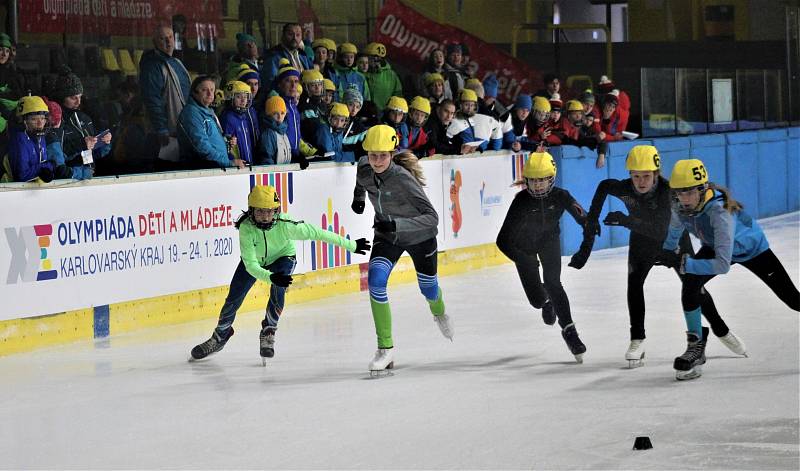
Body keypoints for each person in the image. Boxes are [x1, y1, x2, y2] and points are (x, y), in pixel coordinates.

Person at [569, 146, 744, 368]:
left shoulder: (669, 192)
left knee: (693, 287)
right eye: (635, 176)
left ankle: (721, 329)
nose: (641, 182)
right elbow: (604, 186)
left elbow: (661, 230)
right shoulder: (624, 188)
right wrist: (591, 221)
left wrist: (625, 220)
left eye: (646, 176)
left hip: (673, 242)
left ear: (656, 173)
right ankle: (637, 339)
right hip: (641, 242)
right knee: (634, 284)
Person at [190, 184, 371, 363]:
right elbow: (251, 265)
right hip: (257, 263)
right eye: (260, 211)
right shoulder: (246, 228)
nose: (265, 217)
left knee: (279, 287)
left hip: (284, 257)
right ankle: (221, 335)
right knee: (234, 297)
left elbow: (318, 233)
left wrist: (351, 245)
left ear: (277, 211)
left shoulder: (286, 225)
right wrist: (269, 276)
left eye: (270, 211)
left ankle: (269, 330)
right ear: (251, 210)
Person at [655, 159, 800, 379]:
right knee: (690, 285)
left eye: (689, 192)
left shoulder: (719, 212)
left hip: (752, 250)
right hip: (715, 246)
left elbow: (722, 265)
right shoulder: (679, 206)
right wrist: (666, 250)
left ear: (703, 189)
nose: (684, 199)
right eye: (679, 193)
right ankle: (696, 347)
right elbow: (675, 228)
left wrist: (686, 264)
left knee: (793, 300)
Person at [351, 125, 452, 376]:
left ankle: (439, 311)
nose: (376, 161)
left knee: (428, 289)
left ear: (392, 154)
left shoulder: (403, 179)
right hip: (387, 237)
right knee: (375, 281)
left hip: (420, 237)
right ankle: (385, 348)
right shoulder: (364, 166)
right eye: (373, 155)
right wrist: (359, 198)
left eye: (383, 156)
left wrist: (397, 223)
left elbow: (432, 217)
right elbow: (361, 179)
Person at [496, 152, 589, 362]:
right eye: (533, 181)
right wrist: (525, 260)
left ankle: (569, 331)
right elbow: (502, 241)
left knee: (554, 282)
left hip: (549, 241)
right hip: (524, 249)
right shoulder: (521, 201)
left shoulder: (561, 195)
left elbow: (584, 218)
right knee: (537, 301)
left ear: (551, 178)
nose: (537, 186)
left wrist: (589, 231)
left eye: (542, 180)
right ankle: (546, 300)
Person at [139, 25, 191, 164]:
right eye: (163, 39)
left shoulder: (176, 62)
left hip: (182, 130)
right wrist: (161, 128)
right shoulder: (152, 66)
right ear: (155, 42)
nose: (168, 42)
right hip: (165, 135)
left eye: (170, 37)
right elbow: (152, 100)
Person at [177, 75, 243, 169]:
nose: (210, 94)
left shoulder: (207, 111)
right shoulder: (191, 114)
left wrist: (226, 142)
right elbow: (202, 148)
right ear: (194, 92)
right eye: (204, 90)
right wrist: (228, 163)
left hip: (214, 169)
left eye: (212, 90)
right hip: (201, 172)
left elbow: (212, 141)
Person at [53, 67, 113, 169]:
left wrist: (104, 142)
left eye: (80, 96)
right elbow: (56, 156)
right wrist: (81, 145)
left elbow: (93, 155)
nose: (78, 102)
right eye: (73, 98)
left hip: (86, 174)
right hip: (67, 178)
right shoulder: (55, 121)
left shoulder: (84, 118)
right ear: (62, 97)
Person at [261, 23, 313, 88]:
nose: (295, 38)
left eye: (298, 35)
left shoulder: (303, 56)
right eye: (290, 34)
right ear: (283, 36)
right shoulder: (273, 56)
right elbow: (269, 83)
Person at [219, 80, 258, 165]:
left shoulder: (243, 116)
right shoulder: (227, 118)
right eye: (239, 97)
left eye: (246, 96)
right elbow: (227, 145)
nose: (243, 100)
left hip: (247, 164)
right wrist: (232, 161)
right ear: (230, 98)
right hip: (237, 166)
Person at [364, 42, 402, 110]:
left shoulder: (391, 75)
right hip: (365, 112)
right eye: (372, 57)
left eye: (379, 58)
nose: (375, 60)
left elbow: (398, 95)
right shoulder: (360, 73)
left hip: (384, 113)